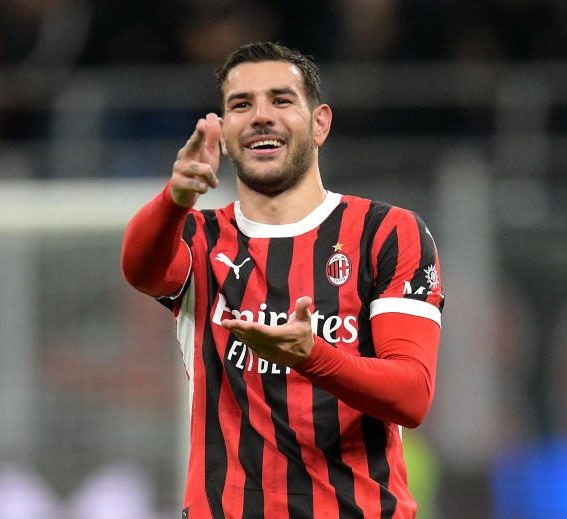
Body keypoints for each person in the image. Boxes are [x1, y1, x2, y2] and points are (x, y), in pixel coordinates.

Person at [121, 41, 444, 519]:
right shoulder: (197, 238)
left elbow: (412, 395)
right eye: (241, 105)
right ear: (224, 133)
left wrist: (311, 356)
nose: (261, 116)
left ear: (320, 123)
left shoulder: (388, 233)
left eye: (281, 100)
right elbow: (139, 269)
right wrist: (175, 197)